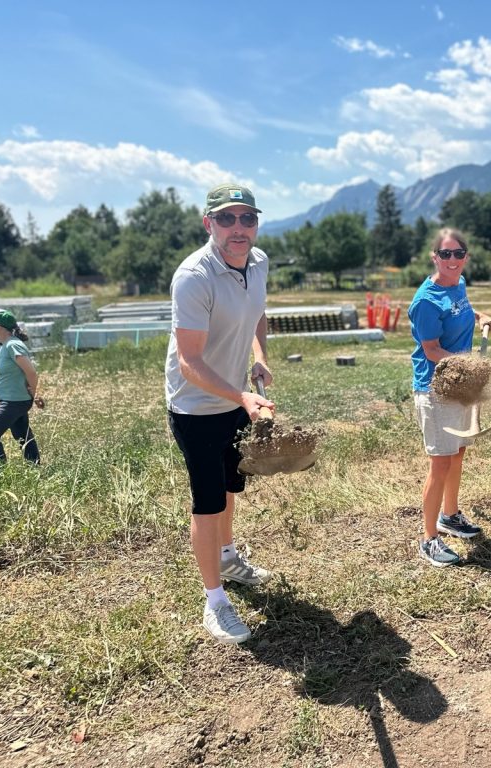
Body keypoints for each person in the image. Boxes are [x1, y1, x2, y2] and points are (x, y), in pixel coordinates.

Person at [165, 183, 275, 644]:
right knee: (208, 503)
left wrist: (259, 355)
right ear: (208, 223)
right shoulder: (194, 276)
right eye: (226, 219)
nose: (237, 228)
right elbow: (190, 362)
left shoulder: (259, 262)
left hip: (233, 399)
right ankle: (215, 601)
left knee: (232, 486)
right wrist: (242, 398)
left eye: (246, 218)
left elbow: (256, 314)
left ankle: (227, 558)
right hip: (197, 405)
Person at [408, 228, 491, 566]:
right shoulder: (425, 301)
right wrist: (467, 369)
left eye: (458, 254)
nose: (453, 260)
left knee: (457, 453)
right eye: (446, 254)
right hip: (436, 387)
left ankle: (450, 515)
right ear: (435, 257)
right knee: (440, 462)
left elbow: (459, 309)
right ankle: (429, 538)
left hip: (460, 383)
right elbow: (430, 350)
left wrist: (479, 316)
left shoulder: (457, 284)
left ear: (465, 257)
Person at [0, 308, 42, 464]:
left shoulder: (12, 345)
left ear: (0, 326)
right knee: (23, 436)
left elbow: (31, 372)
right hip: (14, 399)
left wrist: (35, 394)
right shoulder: (8, 344)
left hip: (14, 401)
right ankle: (34, 468)